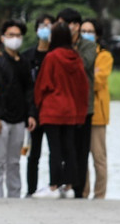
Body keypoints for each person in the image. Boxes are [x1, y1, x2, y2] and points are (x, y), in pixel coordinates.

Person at [32, 22, 88, 198]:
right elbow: (83, 87)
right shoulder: (76, 58)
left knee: (54, 148)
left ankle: (54, 186)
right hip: (70, 109)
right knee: (69, 147)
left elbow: (43, 85)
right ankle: (69, 186)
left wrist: (38, 104)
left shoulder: (51, 57)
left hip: (52, 109)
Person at [0, 20, 36, 198]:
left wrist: (31, 114)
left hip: (19, 119)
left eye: (17, 35)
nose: (14, 39)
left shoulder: (24, 62)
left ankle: (15, 195)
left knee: (14, 161)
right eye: (10, 35)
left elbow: (29, 90)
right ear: (3, 37)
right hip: (1, 120)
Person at [58, 7, 94, 198]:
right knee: (64, 148)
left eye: (67, 23)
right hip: (63, 106)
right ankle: (66, 184)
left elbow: (83, 64)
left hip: (84, 107)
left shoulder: (87, 45)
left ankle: (79, 190)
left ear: (76, 25)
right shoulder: (58, 44)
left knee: (81, 149)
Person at [20, 14, 52, 196]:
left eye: (49, 25)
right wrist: (29, 112)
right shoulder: (27, 57)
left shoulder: (56, 55)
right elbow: (26, 87)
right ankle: (31, 190)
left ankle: (52, 187)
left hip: (52, 111)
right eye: (42, 25)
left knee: (55, 153)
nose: (46, 29)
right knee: (34, 154)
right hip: (34, 112)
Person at [84, 19, 113, 199]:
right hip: (79, 114)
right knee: (81, 157)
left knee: (99, 158)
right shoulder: (77, 52)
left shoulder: (104, 55)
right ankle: (83, 192)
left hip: (97, 114)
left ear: (97, 35)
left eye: (90, 31)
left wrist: (84, 76)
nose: (86, 34)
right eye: (83, 31)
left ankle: (99, 195)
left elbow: (97, 80)